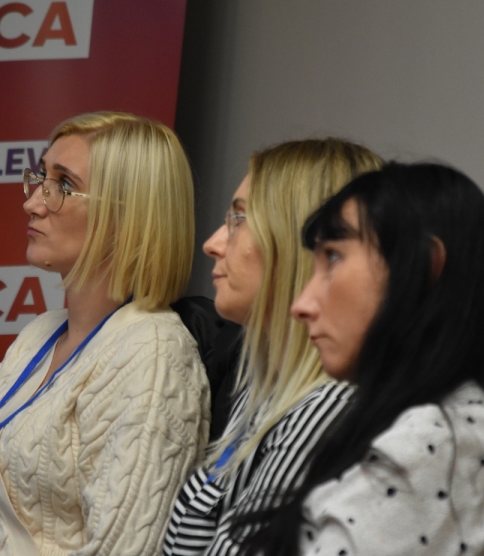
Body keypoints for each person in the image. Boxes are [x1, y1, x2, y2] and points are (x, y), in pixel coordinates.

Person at [234, 162, 484, 556]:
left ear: (424, 265)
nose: (301, 305)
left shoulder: (447, 443)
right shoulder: (423, 423)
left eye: (333, 257)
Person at [0, 112, 210, 556]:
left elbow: (122, 550)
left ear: (127, 216)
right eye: (40, 178)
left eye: (63, 185)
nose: (33, 203)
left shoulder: (154, 353)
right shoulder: (39, 334)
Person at [162, 138, 383, 555]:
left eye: (238, 219)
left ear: (302, 244)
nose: (213, 243)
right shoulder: (264, 383)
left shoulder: (325, 409)